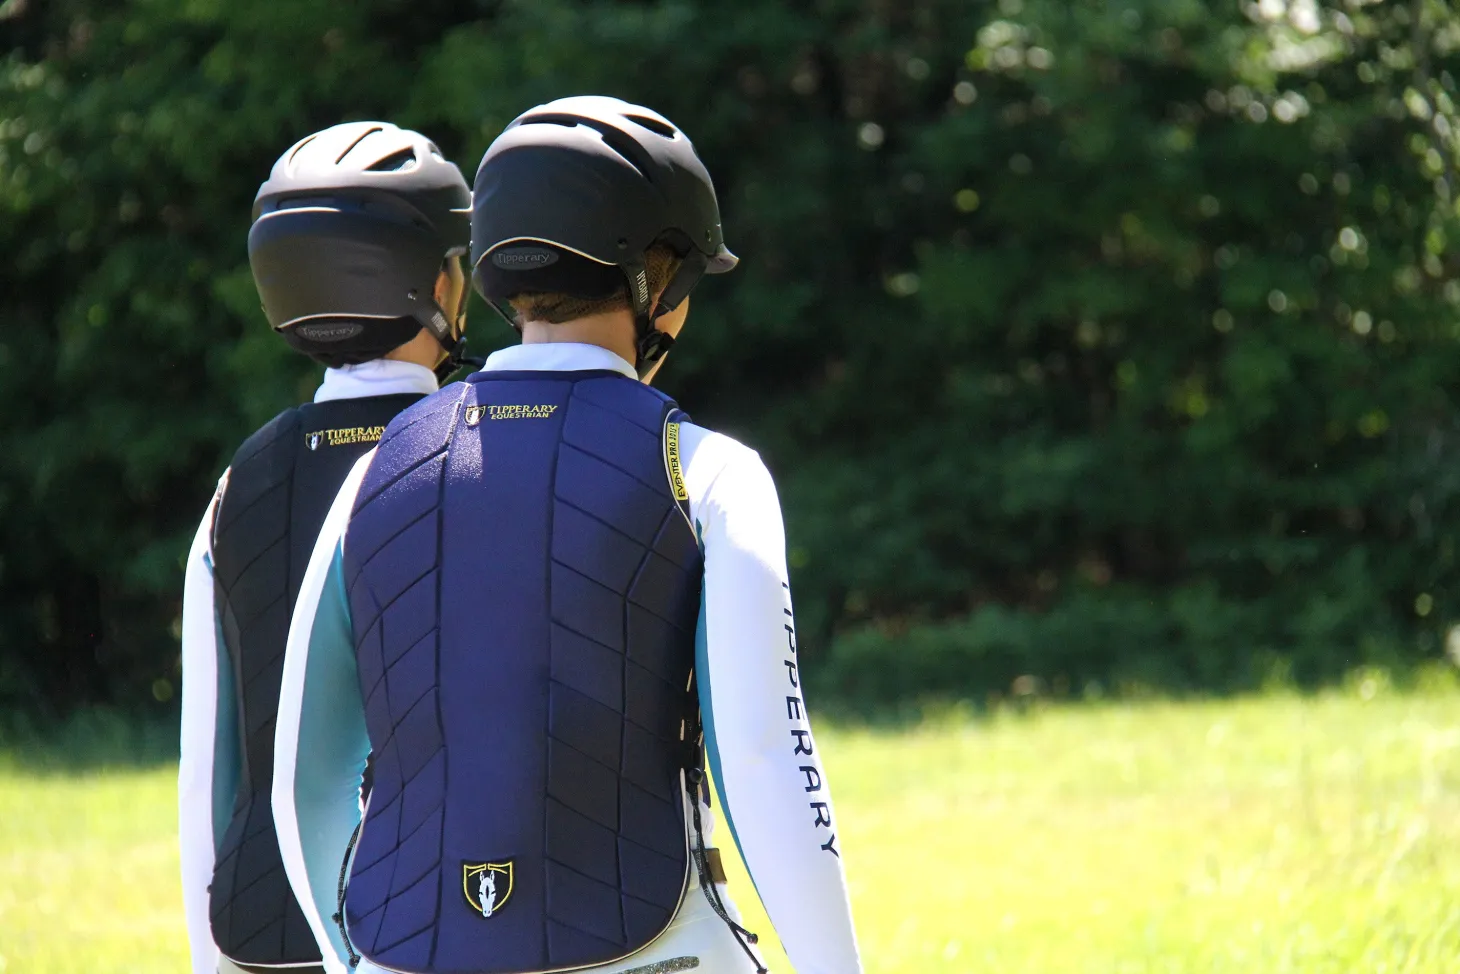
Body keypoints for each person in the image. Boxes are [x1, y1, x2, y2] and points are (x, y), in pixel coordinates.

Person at [273, 96, 863, 974]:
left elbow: (305, 778)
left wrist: (348, 958)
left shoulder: (375, 472)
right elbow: (765, 757)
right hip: (653, 947)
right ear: (660, 280)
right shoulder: (710, 471)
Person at [178, 121, 472, 974]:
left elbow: (210, 763)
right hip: (439, 924)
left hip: (265, 930)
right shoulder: (479, 449)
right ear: (434, 283)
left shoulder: (243, 478)